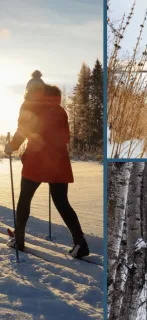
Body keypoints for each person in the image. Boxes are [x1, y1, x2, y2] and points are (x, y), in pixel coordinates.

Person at [4, 71, 89, 258]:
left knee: (24, 199)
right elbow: (66, 137)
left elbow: (23, 131)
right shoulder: (59, 109)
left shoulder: (28, 105)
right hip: (58, 162)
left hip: (36, 161)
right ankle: (80, 243)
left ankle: (18, 240)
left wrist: (11, 147)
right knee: (62, 202)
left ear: (29, 90)